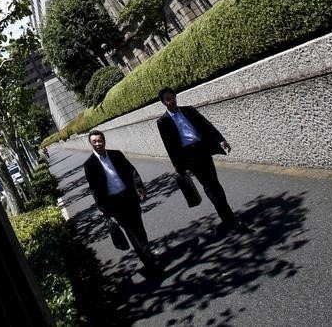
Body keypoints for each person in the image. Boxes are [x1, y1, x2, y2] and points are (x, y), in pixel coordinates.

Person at [156, 87, 251, 233]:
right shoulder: (163, 121)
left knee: (214, 184)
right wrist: (178, 167)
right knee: (208, 186)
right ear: (163, 102)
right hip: (189, 156)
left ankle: (226, 215)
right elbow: (170, 146)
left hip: (203, 150)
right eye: (167, 99)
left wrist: (221, 140)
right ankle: (229, 217)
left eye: (172, 97)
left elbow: (206, 125)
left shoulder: (189, 110)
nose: (171, 101)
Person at [83, 130, 162, 277]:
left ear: (104, 141)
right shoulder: (89, 165)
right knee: (131, 232)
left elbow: (131, 170)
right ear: (91, 144)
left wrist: (139, 187)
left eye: (100, 140)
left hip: (130, 197)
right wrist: (103, 209)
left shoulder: (116, 154)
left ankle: (147, 255)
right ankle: (150, 262)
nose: (98, 144)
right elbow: (94, 189)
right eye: (94, 141)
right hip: (114, 204)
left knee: (139, 228)